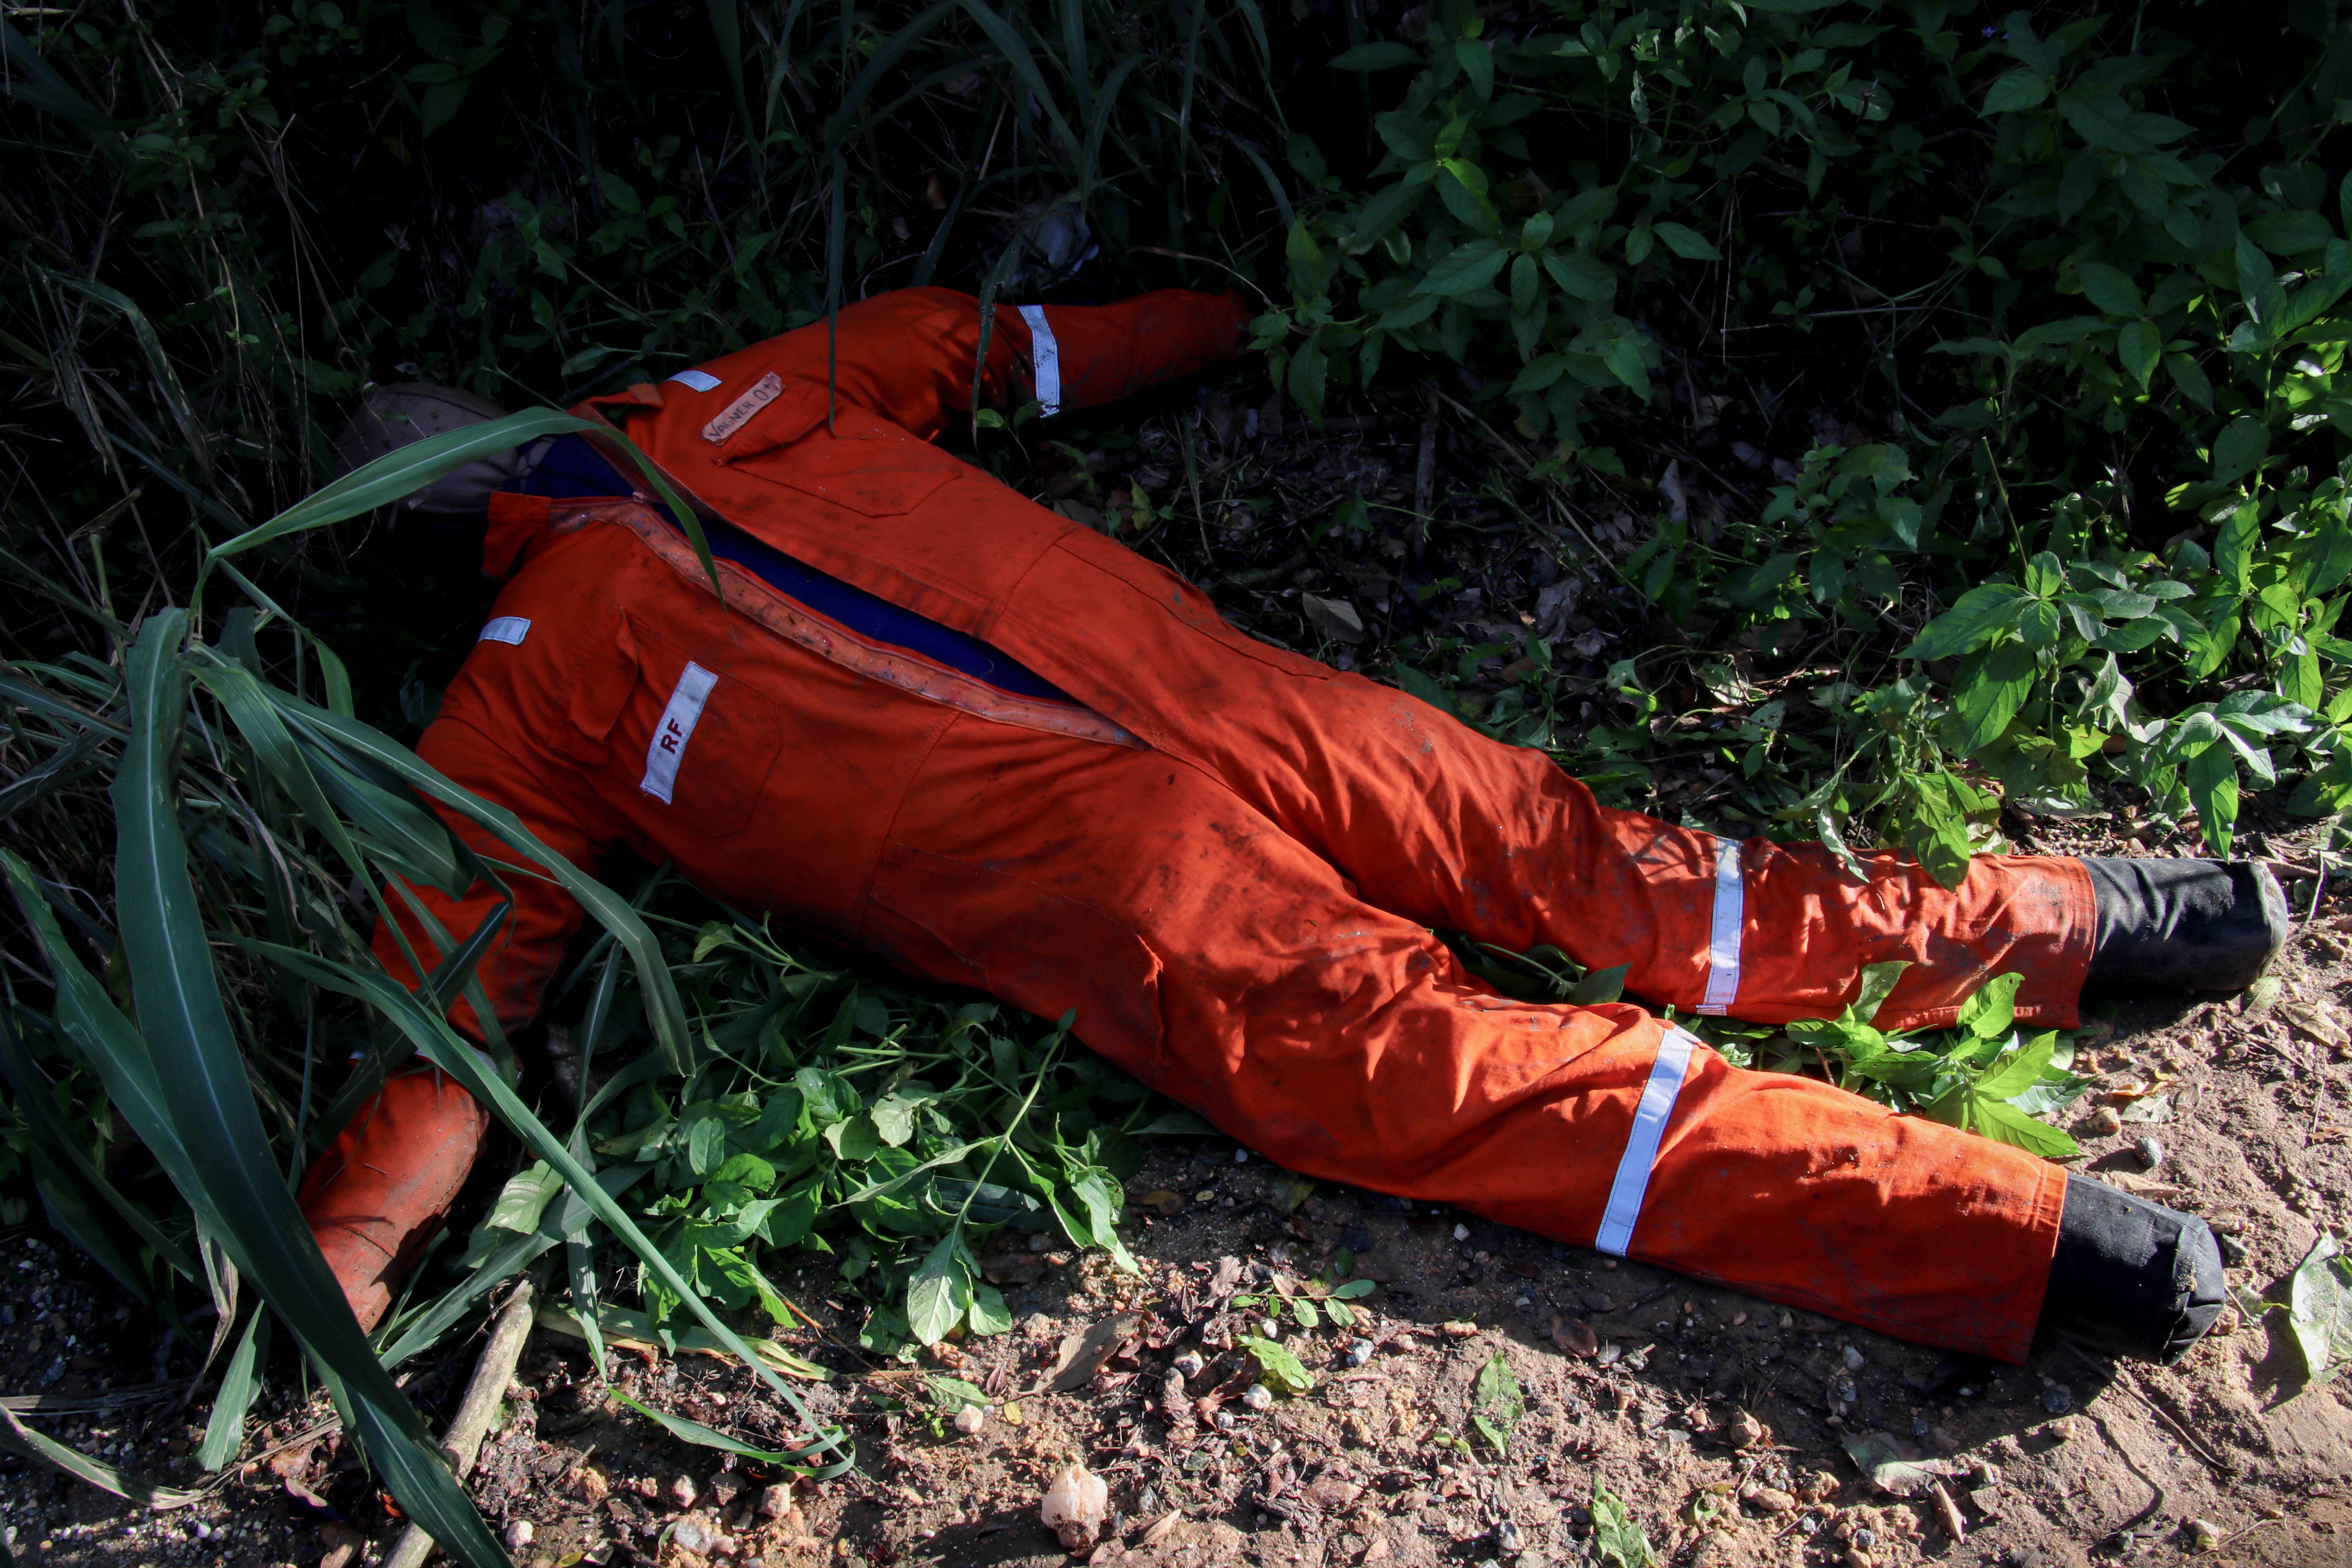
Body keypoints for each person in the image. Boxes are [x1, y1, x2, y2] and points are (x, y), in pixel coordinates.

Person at [301, 285, 2277, 1366]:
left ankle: (2052, 1078)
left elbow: (447, 994)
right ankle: (2054, 1083)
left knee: (1525, 975)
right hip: (1193, 817)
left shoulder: (649, 512)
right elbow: (447, 1012)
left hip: (1198, 795)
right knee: (1553, 969)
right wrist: (341, 1248)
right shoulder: (624, 556)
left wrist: (346, 1243)